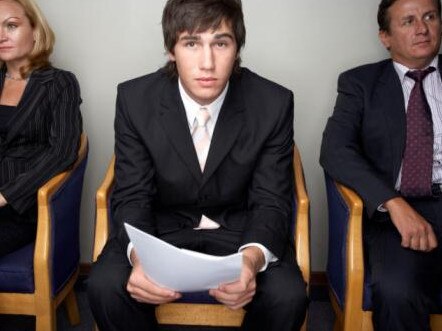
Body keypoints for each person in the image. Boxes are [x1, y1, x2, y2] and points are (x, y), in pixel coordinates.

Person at [87, 0, 308, 330]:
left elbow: (271, 201)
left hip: (239, 230)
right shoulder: (135, 99)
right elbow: (132, 195)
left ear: (237, 48)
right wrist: (142, 257)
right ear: (171, 50)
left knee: (288, 295)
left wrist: (250, 260)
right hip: (160, 230)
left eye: (221, 43)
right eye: (192, 43)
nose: (208, 62)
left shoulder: (273, 103)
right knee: (104, 286)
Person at [320, 0, 442, 329]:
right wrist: (392, 201)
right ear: (385, 36)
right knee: (397, 291)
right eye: (408, 21)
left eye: (430, 16)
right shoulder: (360, 84)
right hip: (397, 211)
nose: (422, 28)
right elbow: (335, 150)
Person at [0, 0, 82, 257]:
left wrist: (5, 196)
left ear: (35, 31)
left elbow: (63, 152)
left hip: (24, 207)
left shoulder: (60, 83)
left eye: (11, 26)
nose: (1, 36)